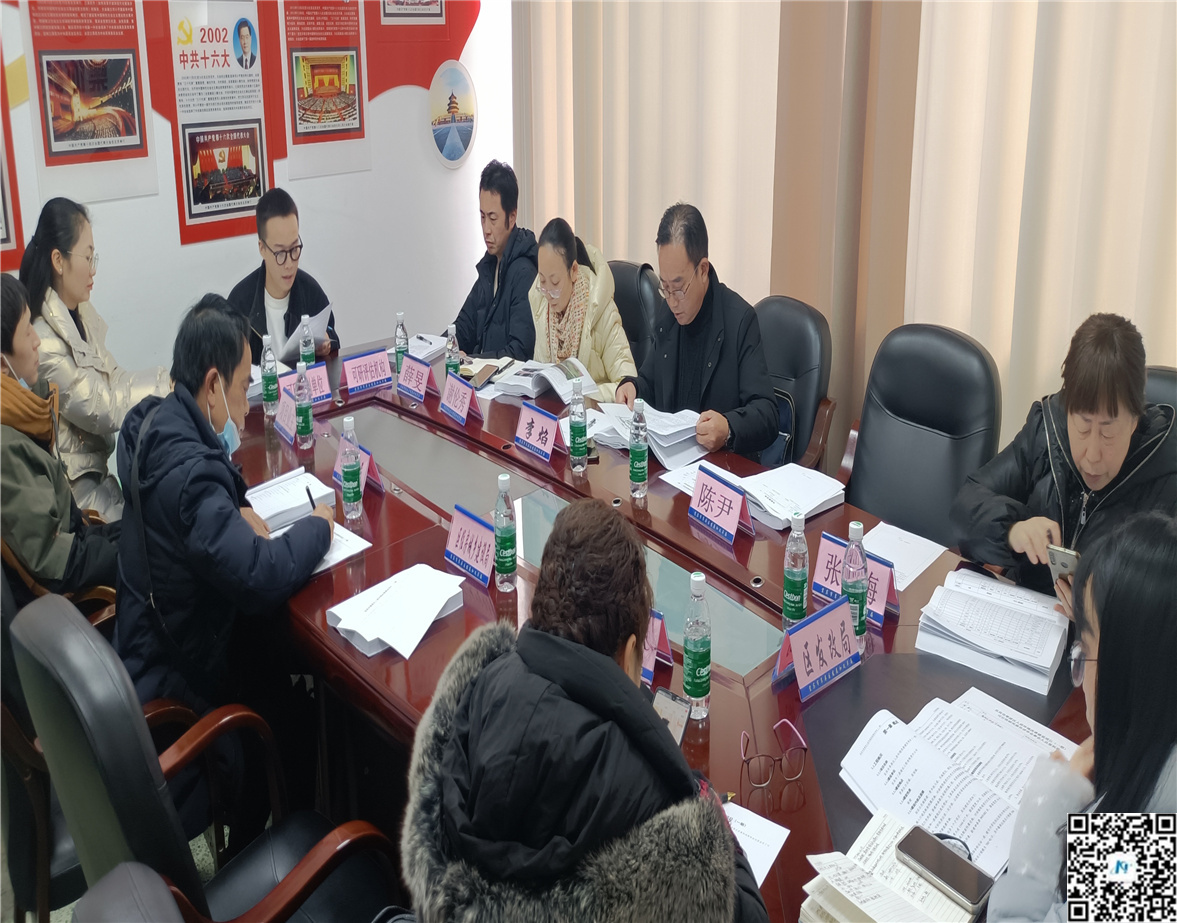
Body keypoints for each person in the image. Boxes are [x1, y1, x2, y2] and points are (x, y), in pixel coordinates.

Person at [401, 498, 769, 922]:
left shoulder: (478, 691)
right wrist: (701, 798)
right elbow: (748, 914)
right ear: (630, 654)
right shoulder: (653, 800)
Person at [113, 294, 333, 852]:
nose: (243, 403)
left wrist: (234, 503)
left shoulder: (157, 425)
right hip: (178, 691)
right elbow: (260, 573)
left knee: (278, 671)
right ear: (212, 384)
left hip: (158, 650)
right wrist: (319, 527)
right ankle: (277, 861)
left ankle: (265, 844)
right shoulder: (189, 479)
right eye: (240, 386)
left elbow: (210, 492)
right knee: (292, 713)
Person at [987, 512, 1177, 922]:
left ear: (1131, 668)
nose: (1082, 676)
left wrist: (1044, 815)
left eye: (1086, 648)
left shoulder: (1152, 840)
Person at [950, 313, 1175, 608]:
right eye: (1082, 427)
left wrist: (1102, 618)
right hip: (1026, 618)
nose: (1092, 455)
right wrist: (1012, 531)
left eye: (1108, 433)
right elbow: (965, 506)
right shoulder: (1047, 431)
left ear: (1135, 419)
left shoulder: (1166, 472)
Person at [20, 197, 171, 521]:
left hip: (100, 478)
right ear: (58, 261)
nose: (93, 269)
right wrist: (168, 387)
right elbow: (102, 407)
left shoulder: (81, 315)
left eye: (94, 257)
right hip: (77, 500)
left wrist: (167, 379)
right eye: (87, 257)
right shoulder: (44, 342)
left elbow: (115, 377)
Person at [615, 203, 777, 459]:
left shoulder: (739, 321)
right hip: (672, 465)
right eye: (665, 287)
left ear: (702, 270)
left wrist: (729, 427)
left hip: (719, 469)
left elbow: (767, 414)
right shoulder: (668, 315)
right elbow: (650, 382)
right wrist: (632, 387)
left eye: (679, 288)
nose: (672, 301)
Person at [0, 275, 121, 609]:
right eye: (27, 330)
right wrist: (131, 552)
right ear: (2, 363)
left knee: (152, 530)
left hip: (76, 545)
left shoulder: (23, 416)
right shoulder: (6, 448)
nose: (37, 340)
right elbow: (54, 563)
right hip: (69, 596)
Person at [227, 187, 339, 365]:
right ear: (262, 248)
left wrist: (327, 342)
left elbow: (332, 335)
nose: (289, 264)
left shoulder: (311, 292)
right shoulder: (239, 304)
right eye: (280, 253)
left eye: (294, 249)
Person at [528, 217, 637, 401]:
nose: (547, 294)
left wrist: (580, 395)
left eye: (555, 282)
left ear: (574, 270)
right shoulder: (541, 306)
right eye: (542, 281)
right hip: (556, 412)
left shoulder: (600, 308)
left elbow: (626, 385)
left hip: (591, 414)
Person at [450, 160, 537, 359]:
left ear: (512, 217)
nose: (486, 229)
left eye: (493, 218)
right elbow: (463, 327)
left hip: (501, 378)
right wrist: (439, 350)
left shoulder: (524, 273)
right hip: (480, 375)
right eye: (482, 217)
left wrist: (471, 361)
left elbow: (520, 352)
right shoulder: (490, 265)